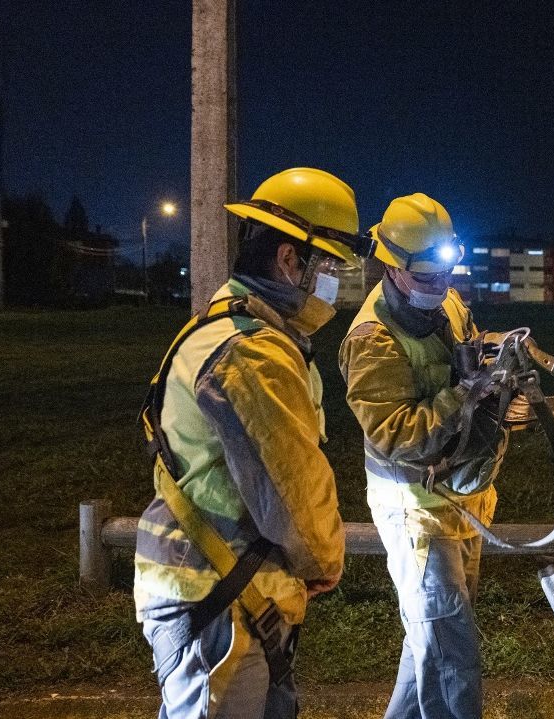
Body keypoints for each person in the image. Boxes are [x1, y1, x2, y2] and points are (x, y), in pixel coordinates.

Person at [134, 167, 374, 719]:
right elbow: (290, 486)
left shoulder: (231, 329)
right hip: (218, 593)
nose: (337, 282)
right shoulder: (251, 352)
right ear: (291, 260)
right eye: (331, 266)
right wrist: (323, 560)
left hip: (215, 586)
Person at [338, 193, 509, 719]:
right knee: (451, 656)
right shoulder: (371, 341)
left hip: (459, 500)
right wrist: (468, 396)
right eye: (427, 278)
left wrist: (496, 374)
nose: (441, 287)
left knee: (428, 642)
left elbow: (468, 356)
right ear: (390, 265)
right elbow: (395, 434)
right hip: (415, 512)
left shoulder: (448, 301)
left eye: (447, 273)